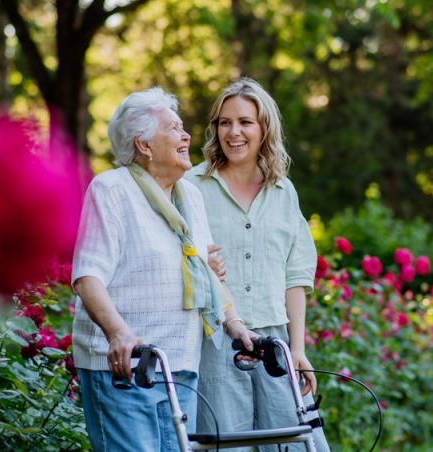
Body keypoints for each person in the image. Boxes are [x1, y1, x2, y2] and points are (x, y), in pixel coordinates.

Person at [71, 87, 255, 452]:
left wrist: (236, 326)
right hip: (126, 367)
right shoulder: (112, 190)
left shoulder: (191, 197)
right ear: (144, 144)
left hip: (180, 365)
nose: (186, 135)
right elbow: (87, 276)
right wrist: (118, 333)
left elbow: (204, 272)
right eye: (173, 128)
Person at [186, 78, 330, 452]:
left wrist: (297, 349)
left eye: (245, 122)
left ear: (265, 127)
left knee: (294, 443)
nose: (233, 132)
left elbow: (295, 276)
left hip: (275, 344)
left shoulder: (284, 191)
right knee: (226, 445)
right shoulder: (191, 187)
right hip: (214, 343)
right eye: (224, 122)